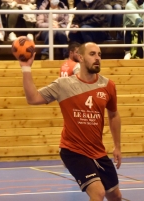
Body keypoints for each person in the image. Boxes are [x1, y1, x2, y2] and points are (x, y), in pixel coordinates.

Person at [18, 42, 122, 201]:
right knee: (98, 192)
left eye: (99, 54)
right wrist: (26, 68)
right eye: (92, 54)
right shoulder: (63, 85)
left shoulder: (108, 86)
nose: (97, 58)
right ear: (80, 57)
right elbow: (32, 98)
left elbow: (114, 115)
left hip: (98, 151)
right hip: (73, 150)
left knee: (115, 195)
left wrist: (117, 146)